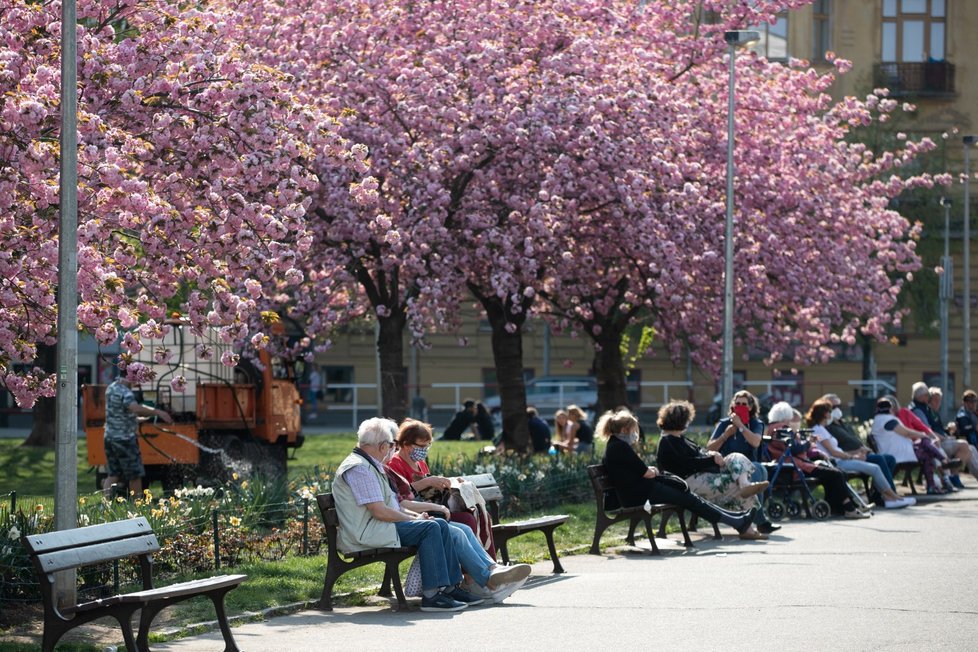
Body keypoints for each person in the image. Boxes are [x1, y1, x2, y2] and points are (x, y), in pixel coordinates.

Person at [332, 418, 531, 611]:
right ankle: (432, 595)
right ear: (383, 446)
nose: (391, 450)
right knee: (432, 527)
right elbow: (379, 511)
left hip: (379, 526)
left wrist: (417, 515)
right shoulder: (360, 468)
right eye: (391, 445)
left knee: (445, 525)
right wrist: (414, 519)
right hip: (368, 532)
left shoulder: (369, 465)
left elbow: (393, 505)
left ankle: (456, 587)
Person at [599, 407, 760, 540]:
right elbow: (646, 473)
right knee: (691, 500)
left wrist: (650, 471)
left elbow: (638, 470)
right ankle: (737, 521)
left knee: (692, 498)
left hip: (642, 491)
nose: (635, 434)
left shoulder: (615, 446)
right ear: (624, 429)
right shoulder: (620, 447)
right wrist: (652, 470)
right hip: (641, 494)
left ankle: (737, 519)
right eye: (633, 430)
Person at [656, 400, 769, 540]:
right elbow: (685, 464)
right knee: (734, 486)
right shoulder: (668, 441)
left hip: (701, 475)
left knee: (736, 457)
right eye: (687, 420)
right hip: (687, 481)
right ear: (681, 421)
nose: (688, 423)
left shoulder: (678, 438)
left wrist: (711, 454)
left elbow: (698, 453)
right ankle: (747, 528)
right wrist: (711, 459)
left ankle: (745, 484)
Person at [386, 419, 496, 558]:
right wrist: (428, 481)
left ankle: (491, 564)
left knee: (482, 515)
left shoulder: (420, 463)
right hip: (421, 513)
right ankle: (471, 574)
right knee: (466, 520)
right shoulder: (395, 464)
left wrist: (452, 482)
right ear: (407, 445)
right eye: (422, 446)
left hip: (436, 506)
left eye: (428, 446)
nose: (425, 450)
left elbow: (429, 488)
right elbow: (403, 495)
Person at [765, 403, 870, 518]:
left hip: (790, 464)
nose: (791, 419)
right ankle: (849, 508)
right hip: (798, 466)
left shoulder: (771, 428)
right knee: (836, 474)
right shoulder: (783, 428)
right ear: (786, 415)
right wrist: (809, 443)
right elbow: (794, 449)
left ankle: (839, 507)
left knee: (832, 474)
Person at [806, 399, 914, 509]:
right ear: (825, 413)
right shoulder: (818, 430)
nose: (831, 413)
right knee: (875, 468)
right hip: (838, 463)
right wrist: (854, 457)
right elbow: (833, 453)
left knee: (876, 466)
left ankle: (889, 497)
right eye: (829, 411)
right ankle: (893, 497)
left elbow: (835, 450)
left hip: (842, 459)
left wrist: (856, 453)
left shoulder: (822, 429)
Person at [707, 390, 780, 534]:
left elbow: (755, 442)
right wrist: (725, 435)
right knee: (760, 472)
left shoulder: (755, 423)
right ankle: (758, 521)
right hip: (727, 466)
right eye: (737, 403)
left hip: (749, 468)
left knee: (760, 469)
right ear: (733, 405)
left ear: (750, 407)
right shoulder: (724, 423)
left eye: (744, 404)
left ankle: (750, 520)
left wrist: (741, 426)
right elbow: (709, 448)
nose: (740, 406)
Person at [103, 376, 173, 496]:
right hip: (124, 440)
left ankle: (104, 505)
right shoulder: (125, 392)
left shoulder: (111, 388)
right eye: (135, 379)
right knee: (135, 475)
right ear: (128, 376)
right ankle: (137, 508)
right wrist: (158, 412)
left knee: (113, 474)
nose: (137, 382)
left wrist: (139, 420)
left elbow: (119, 413)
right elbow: (135, 409)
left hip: (110, 437)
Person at [821, 393, 898, 500]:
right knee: (879, 459)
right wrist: (857, 452)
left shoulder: (842, 423)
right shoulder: (827, 427)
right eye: (834, 407)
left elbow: (853, 439)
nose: (837, 409)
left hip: (860, 453)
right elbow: (836, 448)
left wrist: (863, 448)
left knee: (890, 459)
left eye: (839, 406)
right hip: (850, 456)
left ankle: (878, 495)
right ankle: (891, 495)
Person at [918, 385, 978, 485]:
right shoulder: (927, 412)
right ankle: (953, 476)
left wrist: (949, 429)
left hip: (944, 440)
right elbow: (928, 431)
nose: (938, 403)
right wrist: (944, 437)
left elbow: (941, 430)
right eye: (935, 400)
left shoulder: (935, 414)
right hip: (936, 444)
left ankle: (954, 477)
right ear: (929, 400)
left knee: (971, 449)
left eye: (939, 400)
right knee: (964, 445)